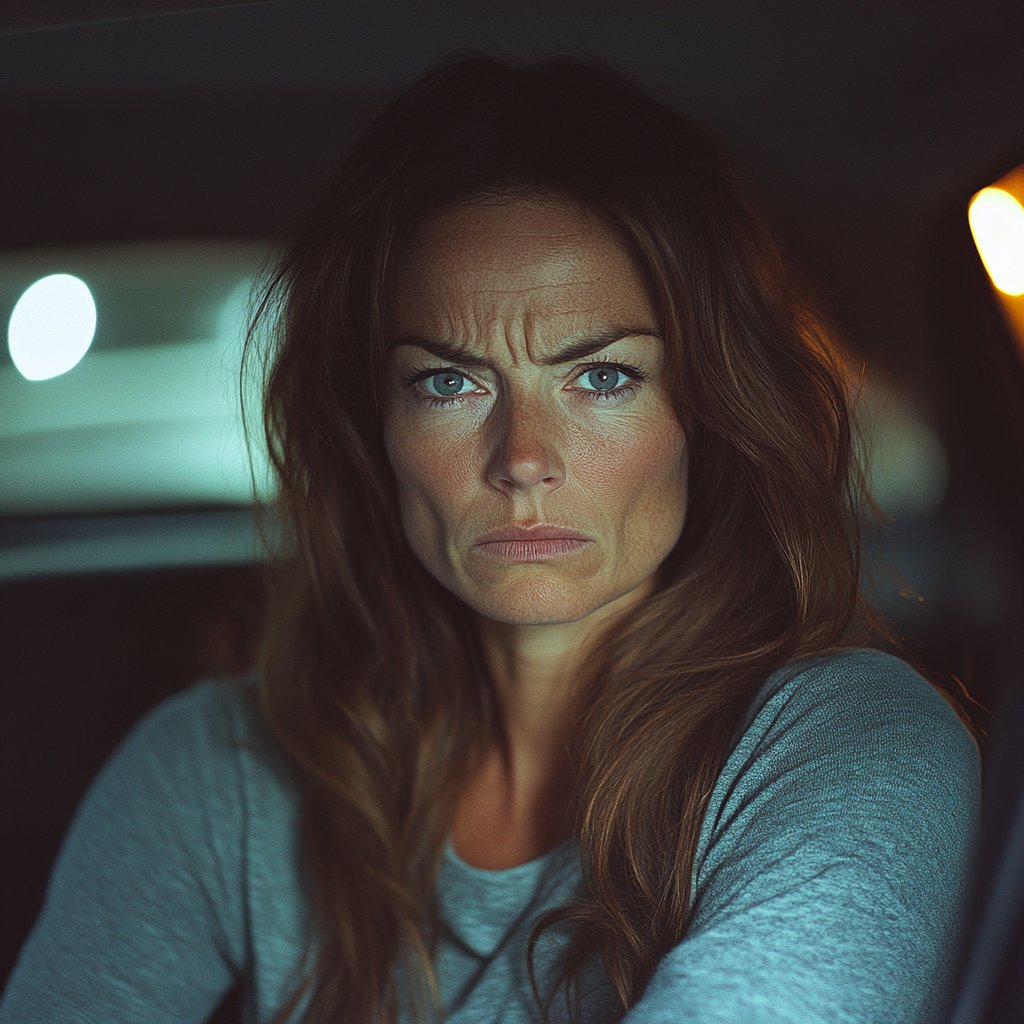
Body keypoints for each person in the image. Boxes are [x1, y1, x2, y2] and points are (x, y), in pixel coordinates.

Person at [0, 52, 980, 1024]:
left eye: (602, 377)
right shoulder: (216, 772)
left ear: (707, 411)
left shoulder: (848, 745)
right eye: (447, 381)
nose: (521, 457)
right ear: (371, 425)